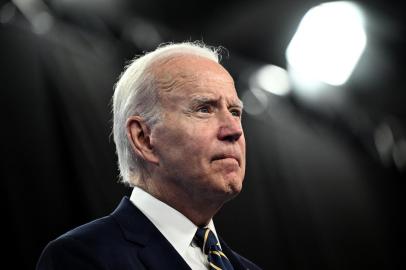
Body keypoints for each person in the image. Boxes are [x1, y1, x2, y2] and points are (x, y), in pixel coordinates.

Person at [36, 42, 262, 270]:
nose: (234, 130)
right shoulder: (82, 258)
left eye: (235, 112)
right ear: (144, 138)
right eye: (204, 109)